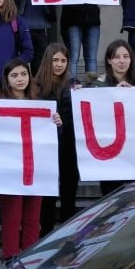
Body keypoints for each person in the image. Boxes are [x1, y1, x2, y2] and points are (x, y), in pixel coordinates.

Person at [0, 58, 61, 263]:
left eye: (23, 74)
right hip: (9, 169)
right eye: (14, 75)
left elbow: (50, 139)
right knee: (12, 216)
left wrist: (57, 124)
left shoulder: (40, 103)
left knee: (34, 217)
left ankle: (30, 258)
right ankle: (10, 257)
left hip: (36, 168)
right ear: (6, 80)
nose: (20, 79)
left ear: (30, 76)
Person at [89, 40, 135, 195]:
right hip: (110, 157)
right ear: (109, 60)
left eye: (126, 56)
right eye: (117, 57)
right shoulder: (98, 86)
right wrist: (113, 97)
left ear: (131, 59)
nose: (122, 61)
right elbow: (93, 120)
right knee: (111, 201)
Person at [34, 43, 79, 236]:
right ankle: (46, 235)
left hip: (69, 148)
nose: (59, 64)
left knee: (69, 195)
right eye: (55, 60)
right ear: (47, 61)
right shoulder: (35, 87)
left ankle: (67, 238)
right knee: (47, 198)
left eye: (63, 60)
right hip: (45, 150)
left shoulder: (74, 85)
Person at [60, 4, 101, 79]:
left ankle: (91, 85)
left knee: (89, 57)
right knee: (74, 56)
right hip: (74, 17)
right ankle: (71, 84)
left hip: (91, 17)